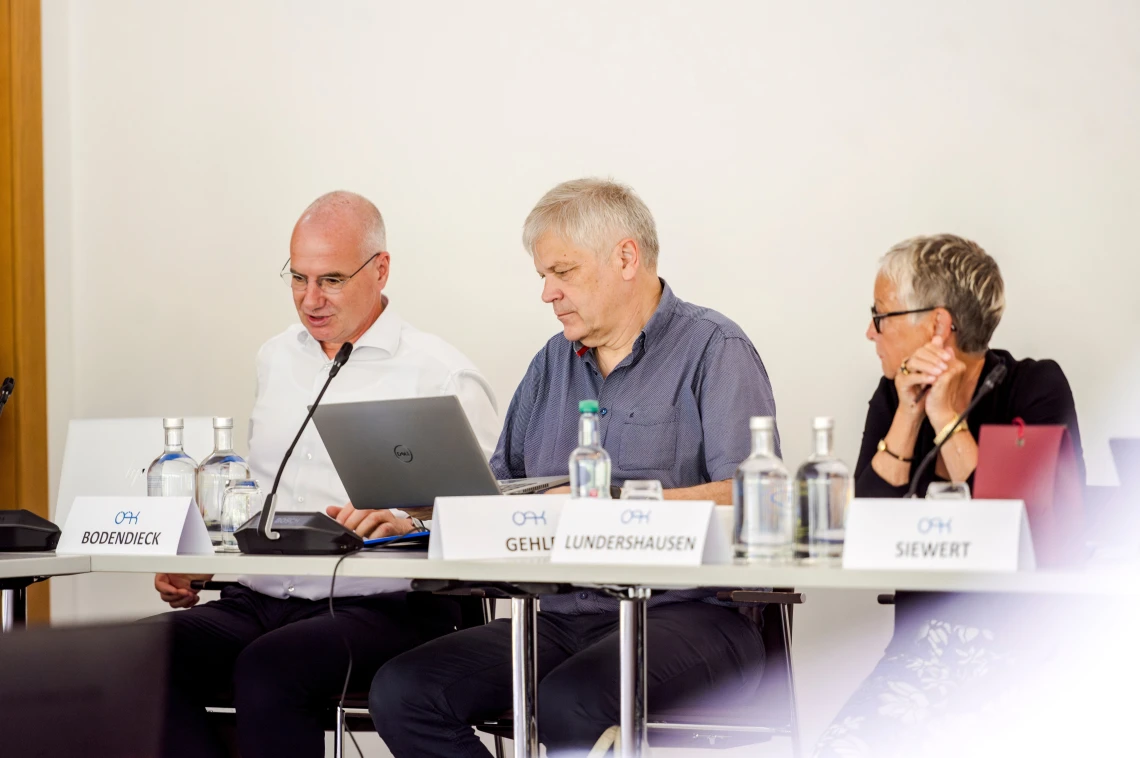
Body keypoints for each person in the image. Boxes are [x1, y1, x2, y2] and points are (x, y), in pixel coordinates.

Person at [370, 178, 779, 756]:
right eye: (543, 276)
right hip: (561, 614)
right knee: (404, 689)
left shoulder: (715, 349)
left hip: (690, 613)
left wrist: (614, 509)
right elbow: (497, 491)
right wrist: (419, 519)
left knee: (569, 701)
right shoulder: (550, 365)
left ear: (626, 257)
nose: (547, 293)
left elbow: (754, 495)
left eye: (562, 272)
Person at [153, 191, 500, 758]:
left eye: (332, 280)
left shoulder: (439, 371)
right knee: (138, 658)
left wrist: (408, 519)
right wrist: (198, 556)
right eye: (298, 278)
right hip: (260, 595)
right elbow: (256, 497)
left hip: (385, 606)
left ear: (381, 268)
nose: (310, 300)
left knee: (270, 670)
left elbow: (495, 520)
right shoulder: (275, 358)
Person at [814, 234, 1085, 757]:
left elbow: (1014, 529)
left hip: (1031, 656)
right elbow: (863, 534)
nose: (870, 331)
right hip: (920, 656)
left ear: (937, 325)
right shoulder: (893, 393)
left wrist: (946, 417)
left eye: (882, 314)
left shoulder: (1034, 387)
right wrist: (910, 412)